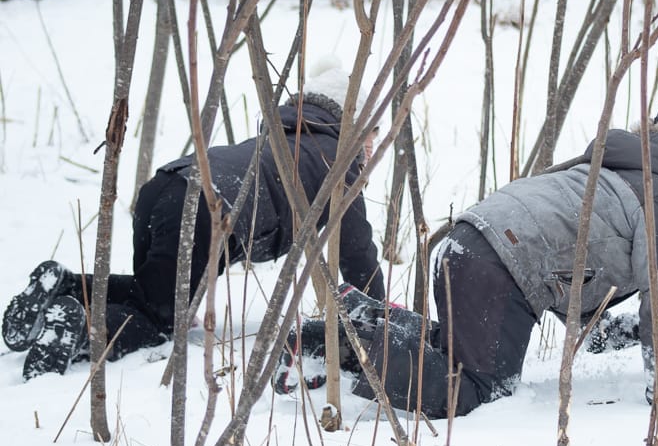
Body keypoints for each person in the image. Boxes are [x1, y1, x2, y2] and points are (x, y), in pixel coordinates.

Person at [276, 102, 658, 419]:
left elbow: (582, 297)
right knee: (472, 388)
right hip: (500, 267)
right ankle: (342, 347)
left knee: (450, 354)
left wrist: (627, 331)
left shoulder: (617, 171)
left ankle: (356, 317)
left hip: (468, 244)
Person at [2, 58, 385, 380]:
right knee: (161, 320)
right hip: (202, 206)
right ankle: (79, 329)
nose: (371, 148)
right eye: (372, 134)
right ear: (354, 126)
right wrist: (379, 316)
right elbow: (356, 249)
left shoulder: (285, 133)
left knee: (151, 296)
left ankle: (65, 286)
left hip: (166, 184)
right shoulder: (338, 159)